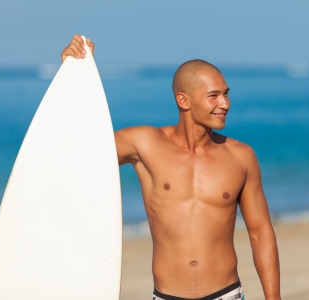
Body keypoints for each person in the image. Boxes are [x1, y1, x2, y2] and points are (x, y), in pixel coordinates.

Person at [61, 34, 280, 300]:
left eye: (225, 94)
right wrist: (77, 76)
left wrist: (273, 298)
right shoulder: (145, 144)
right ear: (184, 100)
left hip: (228, 294)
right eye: (213, 96)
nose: (225, 104)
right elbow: (80, 150)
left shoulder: (241, 156)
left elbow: (260, 233)